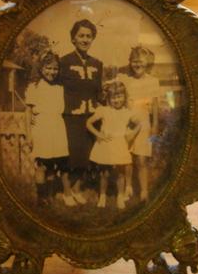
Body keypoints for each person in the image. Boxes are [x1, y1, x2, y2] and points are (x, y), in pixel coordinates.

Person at [59, 19, 103, 204]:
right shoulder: (64, 62)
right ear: (73, 38)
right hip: (71, 117)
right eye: (81, 35)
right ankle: (66, 192)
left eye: (89, 36)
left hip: (91, 118)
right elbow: (55, 88)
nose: (85, 39)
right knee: (71, 155)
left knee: (87, 156)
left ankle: (77, 189)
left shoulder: (97, 64)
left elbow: (99, 92)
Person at [24, 51, 71, 206]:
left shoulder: (60, 87)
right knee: (42, 165)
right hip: (42, 128)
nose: (52, 72)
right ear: (41, 68)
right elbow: (28, 112)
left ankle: (50, 195)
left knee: (53, 164)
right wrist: (29, 135)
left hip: (57, 127)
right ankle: (42, 197)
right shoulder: (34, 86)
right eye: (48, 68)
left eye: (55, 68)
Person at [86, 81, 140, 209]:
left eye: (119, 96)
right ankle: (102, 196)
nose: (117, 100)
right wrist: (99, 134)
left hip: (120, 144)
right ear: (109, 98)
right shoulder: (104, 110)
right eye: (113, 97)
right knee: (104, 173)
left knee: (120, 173)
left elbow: (139, 123)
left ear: (124, 97)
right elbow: (88, 123)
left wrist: (132, 134)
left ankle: (120, 196)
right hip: (106, 144)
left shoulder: (127, 112)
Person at [117, 46, 160, 202]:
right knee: (126, 157)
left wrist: (155, 125)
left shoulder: (153, 81)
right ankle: (128, 187)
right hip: (126, 123)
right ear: (130, 62)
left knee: (141, 158)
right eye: (134, 61)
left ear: (147, 63)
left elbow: (155, 106)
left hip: (144, 123)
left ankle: (143, 191)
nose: (137, 64)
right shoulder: (125, 80)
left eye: (140, 61)